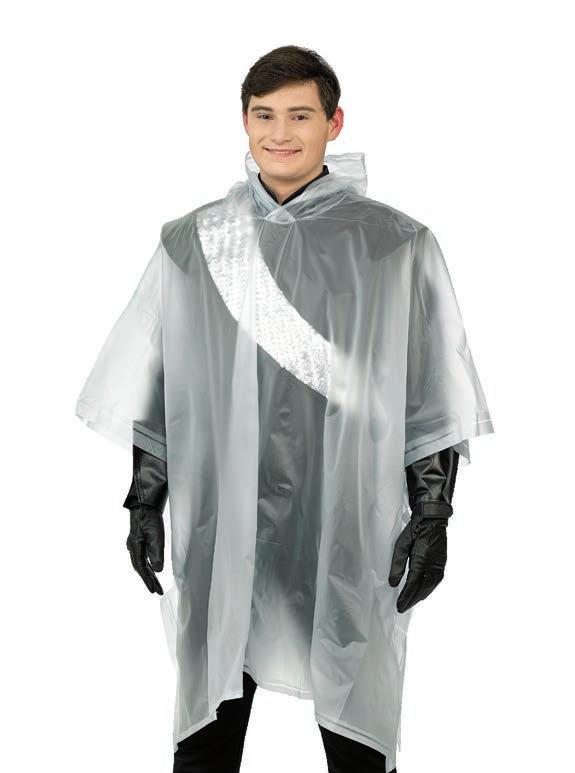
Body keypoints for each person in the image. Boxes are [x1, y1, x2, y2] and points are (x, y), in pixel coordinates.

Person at [76, 45, 494, 773]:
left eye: (300, 115)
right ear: (243, 121)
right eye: (263, 115)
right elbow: (161, 380)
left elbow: (428, 393)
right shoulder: (197, 241)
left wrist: (432, 513)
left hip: (346, 516)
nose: (279, 133)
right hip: (222, 517)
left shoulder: (393, 246)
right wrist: (145, 498)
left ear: (334, 122)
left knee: (356, 728)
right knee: (207, 728)